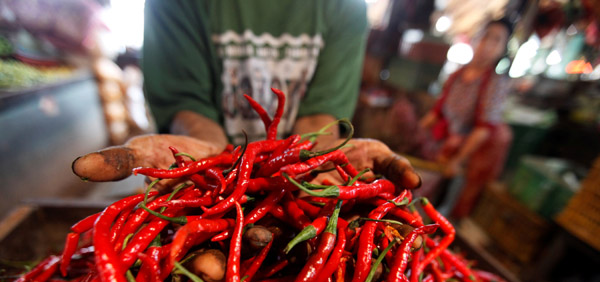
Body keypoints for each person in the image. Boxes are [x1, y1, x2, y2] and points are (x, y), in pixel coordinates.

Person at [72, 0, 422, 190]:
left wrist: (315, 160)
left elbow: (322, 114)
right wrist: (210, 157)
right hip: (204, 180)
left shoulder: (344, 7)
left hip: (297, 181)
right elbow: (186, 102)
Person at [418, 18, 514, 218]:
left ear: (501, 49)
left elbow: (483, 130)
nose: (487, 44)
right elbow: (437, 112)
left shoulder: (495, 84)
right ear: (476, 38)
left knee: (444, 208)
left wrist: (457, 161)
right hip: (445, 146)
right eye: (486, 36)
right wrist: (418, 131)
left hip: (469, 155)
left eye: (496, 40)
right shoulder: (457, 76)